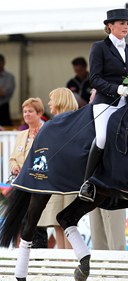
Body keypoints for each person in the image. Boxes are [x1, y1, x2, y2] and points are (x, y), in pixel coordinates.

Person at [79, 8, 128, 202]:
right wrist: (116, 89)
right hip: (106, 101)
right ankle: (87, 183)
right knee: (103, 138)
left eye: (127, 23)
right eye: (121, 23)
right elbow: (94, 79)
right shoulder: (99, 47)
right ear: (110, 26)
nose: (126, 27)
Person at [38, 88, 78, 248]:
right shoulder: (51, 123)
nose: (49, 103)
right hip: (53, 179)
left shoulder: (75, 121)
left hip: (69, 179)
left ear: (61, 100)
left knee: (68, 222)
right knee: (56, 222)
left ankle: (71, 260)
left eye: (51, 99)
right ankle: (62, 260)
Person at [88, 89, 126, 250]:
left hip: (112, 184)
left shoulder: (117, 122)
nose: (91, 99)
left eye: (93, 95)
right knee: (98, 238)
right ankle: (100, 272)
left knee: (115, 239)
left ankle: (119, 271)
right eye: (92, 95)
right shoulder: (90, 120)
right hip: (93, 184)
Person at [9, 97, 48, 248]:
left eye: (30, 111)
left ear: (39, 113)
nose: (26, 114)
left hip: (38, 184)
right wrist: (14, 167)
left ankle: (40, 256)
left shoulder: (45, 132)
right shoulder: (21, 135)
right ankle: (24, 253)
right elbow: (13, 158)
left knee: (38, 222)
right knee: (22, 220)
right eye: (24, 111)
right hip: (21, 184)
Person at [0, 54, 15, 126]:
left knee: (6, 127)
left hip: (4, 107)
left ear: (3, 63)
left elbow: (6, 92)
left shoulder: (9, 77)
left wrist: (2, 92)